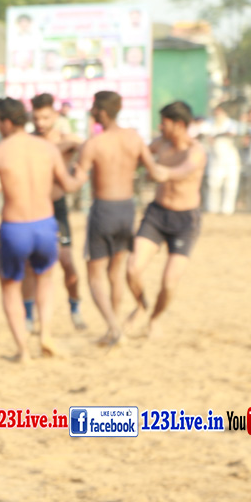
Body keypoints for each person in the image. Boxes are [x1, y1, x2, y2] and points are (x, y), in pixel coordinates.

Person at [0, 98, 82, 362]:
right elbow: (68, 185)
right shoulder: (47, 149)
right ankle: (46, 336)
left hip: (15, 228)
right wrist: (81, 176)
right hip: (45, 225)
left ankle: (23, 351)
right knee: (45, 280)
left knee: (10, 287)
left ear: (6, 122)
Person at [72, 91, 168, 346]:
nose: (92, 112)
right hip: (127, 209)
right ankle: (113, 328)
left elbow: (77, 180)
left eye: (94, 108)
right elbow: (154, 171)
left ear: (102, 112)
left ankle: (114, 328)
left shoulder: (94, 144)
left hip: (103, 209)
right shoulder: (134, 138)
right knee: (115, 273)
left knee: (94, 275)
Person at [125, 101, 206, 338]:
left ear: (179, 124)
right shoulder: (160, 144)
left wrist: (157, 171)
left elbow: (180, 172)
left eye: (164, 123)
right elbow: (136, 155)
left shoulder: (195, 152)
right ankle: (141, 306)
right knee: (132, 269)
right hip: (156, 214)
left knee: (169, 282)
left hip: (185, 221)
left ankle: (155, 319)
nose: (160, 127)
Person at [22, 93, 87, 332]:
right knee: (30, 266)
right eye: (36, 118)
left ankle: (75, 308)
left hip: (57, 209)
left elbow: (88, 148)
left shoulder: (69, 140)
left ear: (55, 116)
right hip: (32, 208)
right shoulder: (28, 141)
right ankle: (29, 317)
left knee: (67, 262)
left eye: (45, 118)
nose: (40, 123)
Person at [204, 105, 240, 215]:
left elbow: (233, 133)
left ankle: (227, 209)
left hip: (230, 157)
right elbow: (202, 132)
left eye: (220, 111)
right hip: (215, 157)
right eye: (216, 111)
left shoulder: (231, 123)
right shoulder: (209, 123)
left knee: (230, 185)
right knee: (213, 184)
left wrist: (216, 136)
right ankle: (212, 208)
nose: (217, 114)